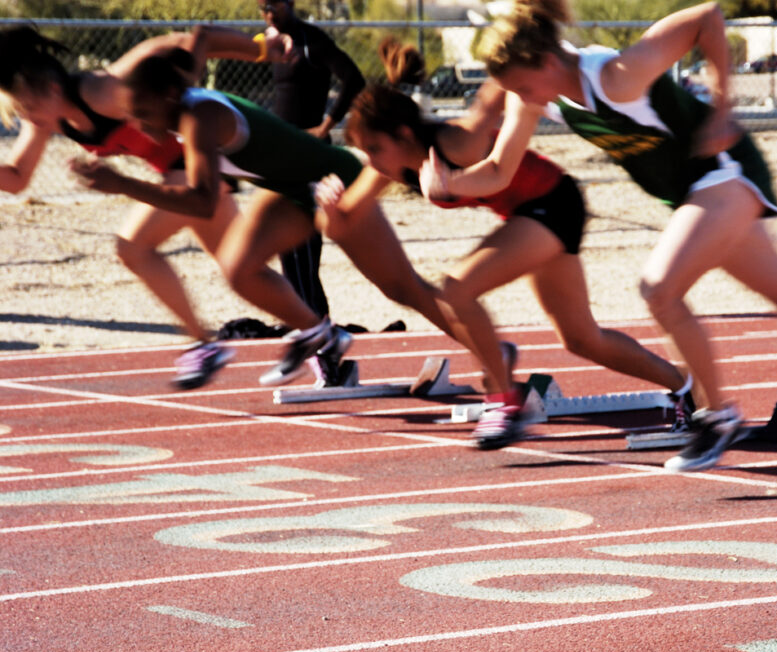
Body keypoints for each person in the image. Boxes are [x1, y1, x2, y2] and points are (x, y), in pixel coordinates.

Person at [424, 0, 777, 468]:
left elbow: (707, 16)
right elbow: (498, 171)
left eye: (525, 87)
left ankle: (715, 416)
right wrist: (449, 185)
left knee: (659, 288)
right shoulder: (537, 98)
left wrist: (725, 109)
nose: (523, 99)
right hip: (692, 192)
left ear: (549, 61)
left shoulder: (618, 77)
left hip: (724, 172)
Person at [316, 38, 690, 449]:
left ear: (403, 133)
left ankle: (504, 400)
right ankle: (685, 387)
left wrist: (516, 41)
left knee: (457, 286)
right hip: (529, 215)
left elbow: (491, 97)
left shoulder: (457, 142)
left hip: (553, 203)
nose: (368, 161)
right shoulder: (393, 165)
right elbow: (344, 219)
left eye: (372, 149)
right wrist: (331, 209)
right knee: (582, 339)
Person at [71, 48, 454, 389]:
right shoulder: (183, 115)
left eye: (141, 114)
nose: (137, 125)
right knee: (238, 267)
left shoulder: (198, 116)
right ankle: (320, 333)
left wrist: (123, 184)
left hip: (332, 179)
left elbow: (203, 201)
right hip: (289, 189)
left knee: (403, 289)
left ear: (167, 96)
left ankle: (493, 352)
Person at [0, 26, 258, 389]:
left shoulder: (103, 90)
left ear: (53, 89)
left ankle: (204, 344)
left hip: (198, 168)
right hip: (181, 177)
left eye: (29, 107)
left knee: (132, 246)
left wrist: (262, 49)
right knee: (244, 272)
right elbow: (16, 176)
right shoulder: (49, 118)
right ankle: (321, 340)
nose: (28, 118)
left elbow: (178, 43)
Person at [256, 0, 367, 320]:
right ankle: (302, 316)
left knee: (302, 239)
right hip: (281, 150)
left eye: (273, 4)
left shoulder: (311, 40)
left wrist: (325, 126)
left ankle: (316, 319)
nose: (268, 12)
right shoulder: (271, 40)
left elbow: (353, 78)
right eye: (262, 6)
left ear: (289, 4)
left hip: (307, 152)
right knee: (284, 243)